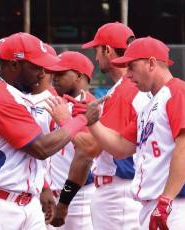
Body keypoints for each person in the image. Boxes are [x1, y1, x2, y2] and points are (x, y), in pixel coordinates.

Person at [62, 36, 185, 229]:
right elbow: (120, 146)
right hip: (154, 205)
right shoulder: (149, 106)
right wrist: (92, 122)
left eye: (132, 67)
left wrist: (166, 200)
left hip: (176, 206)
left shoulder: (180, 92)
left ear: (151, 63)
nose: (128, 74)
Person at [0, 32, 89, 230]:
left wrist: (42, 187)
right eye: (36, 67)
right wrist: (82, 119)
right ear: (15, 65)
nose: (43, 74)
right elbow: (40, 148)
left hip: (28, 203)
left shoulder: (17, 95)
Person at [63, 22, 151, 230]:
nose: (96, 57)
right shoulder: (135, 88)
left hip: (119, 190)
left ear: (108, 50)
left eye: (97, 50)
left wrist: (64, 120)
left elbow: (93, 148)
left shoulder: (123, 91)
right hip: (128, 186)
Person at [44, 51, 98, 229]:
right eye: (53, 73)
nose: (54, 78)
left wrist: (64, 203)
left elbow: (85, 158)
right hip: (48, 196)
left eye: (61, 73)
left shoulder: (92, 109)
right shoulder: (55, 102)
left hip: (77, 197)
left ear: (79, 76)